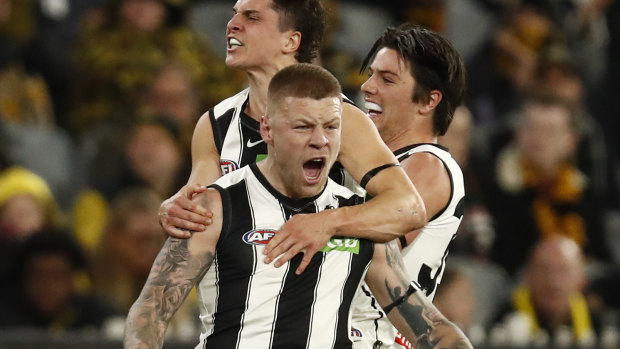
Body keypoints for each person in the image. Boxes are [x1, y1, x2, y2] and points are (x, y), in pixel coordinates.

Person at [124, 63, 471, 349]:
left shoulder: (357, 219)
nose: (320, 140)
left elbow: (430, 328)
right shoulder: (216, 206)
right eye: (303, 127)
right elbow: (151, 311)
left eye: (331, 127)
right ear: (268, 130)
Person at [158, 0, 426, 275]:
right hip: (241, 301)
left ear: (290, 41)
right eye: (234, 14)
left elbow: (408, 207)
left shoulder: (343, 119)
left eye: (252, 17)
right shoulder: (214, 123)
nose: (232, 24)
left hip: (328, 303)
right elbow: (198, 212)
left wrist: (327, 223)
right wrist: (175, 210)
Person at [348, 24, 467, 349]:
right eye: (371, 74)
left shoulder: (427, 164)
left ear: (429, 101)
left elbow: (358, 254)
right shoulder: (369, 163)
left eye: (387, 80)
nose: (368, 86)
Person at [489, 236, 599, 347]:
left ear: (582, 279)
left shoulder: (599, 325)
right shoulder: (503, 323)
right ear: (528, 275)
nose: (554, 281)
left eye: (564, 271)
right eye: (544, 270)